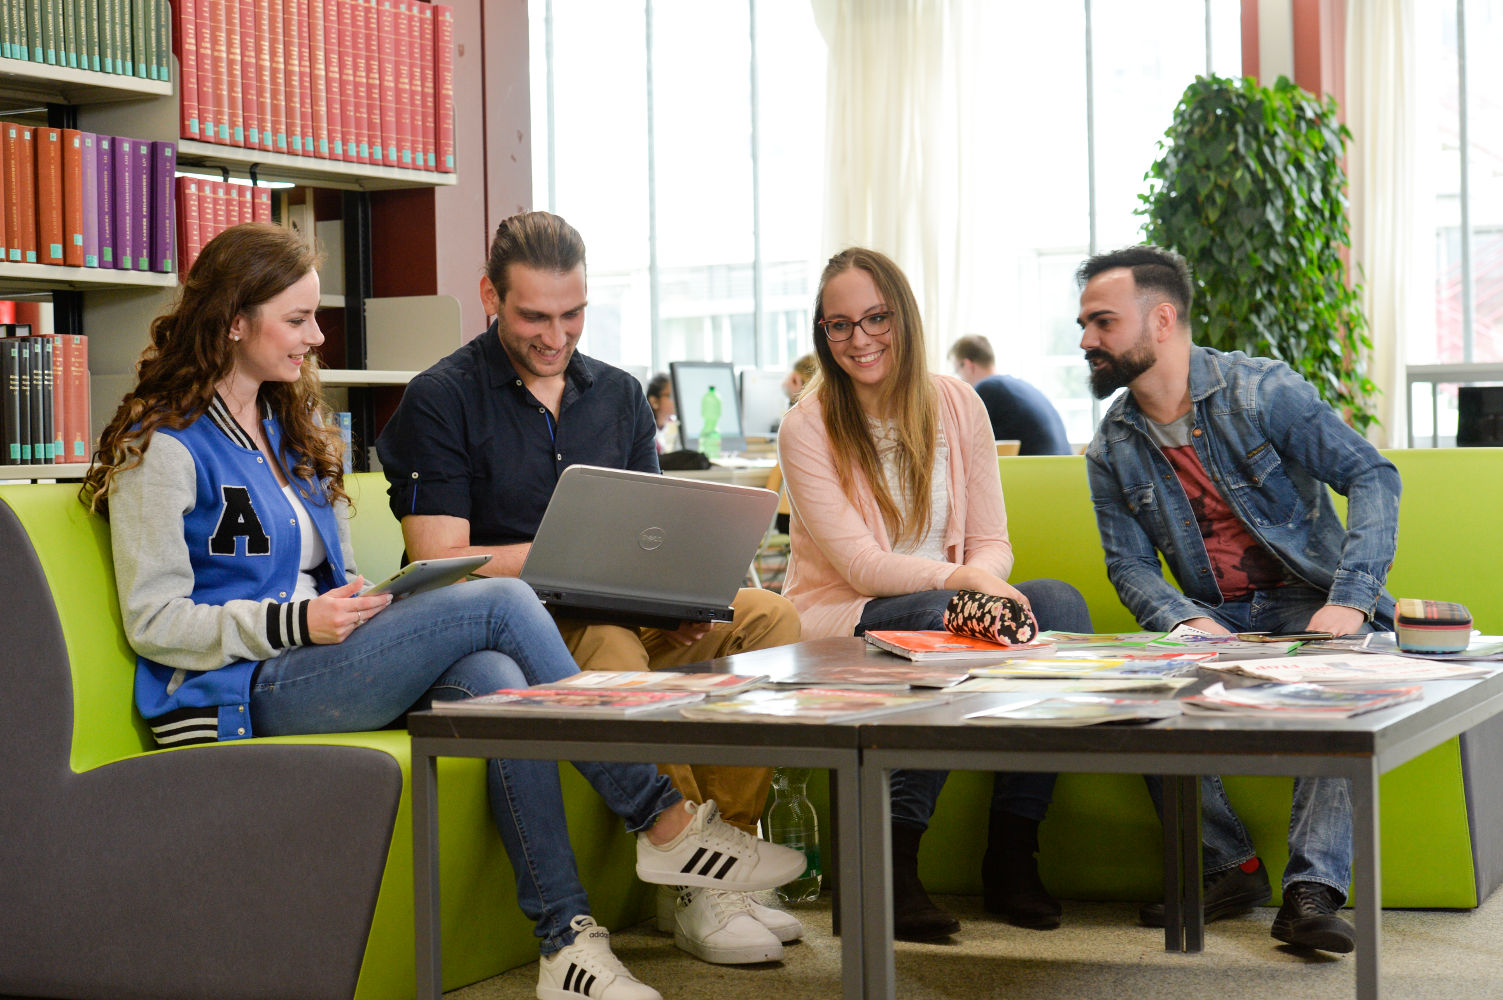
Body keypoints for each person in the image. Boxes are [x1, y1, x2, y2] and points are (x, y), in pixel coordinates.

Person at [79, 222, 805, 1000]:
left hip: (317, 658)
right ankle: (658, 819)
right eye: (297, 320)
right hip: (242, 687)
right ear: (233, 319)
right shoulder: (164, 445)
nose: (316, 336)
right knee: (498, 598)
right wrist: (299, 623)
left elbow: (333, 574)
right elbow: (153, 620)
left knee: (498, 683)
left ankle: (566, 947)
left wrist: (360, 602)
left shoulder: (287, 432)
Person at [375, 211, 806, 966]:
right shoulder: (440, 397)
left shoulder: (617, 395)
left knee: (771, 618)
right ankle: (693, 887)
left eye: (571, 314)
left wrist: (679, 598)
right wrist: (563, 557)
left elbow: (652, 527)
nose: (555, 334)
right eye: (534, 316)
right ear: (489, 296)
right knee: (608, 642)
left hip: (630, 608)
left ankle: (727, 863)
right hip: (533, 630)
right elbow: (437, 555)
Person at [1076, 244, 1402, 956]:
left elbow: (1373, 475)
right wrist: (1183, 621)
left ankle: (1310, 892)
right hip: (1212, 616)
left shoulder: (1261, 391)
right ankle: (1228, 865)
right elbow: (1127, 564)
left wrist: (1349, 599)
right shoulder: (1110, 448)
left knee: (1336, 678)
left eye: (1101, 322)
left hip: (1307, 599)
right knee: (1134, 690)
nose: (1085, 340)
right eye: (1083, 324)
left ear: (1160, 320)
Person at [777, 247, 1094, 940]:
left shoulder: (955, 401)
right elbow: (860, 566)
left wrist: (984, 580)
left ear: (902, 316)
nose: (859, 340)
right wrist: (965, 583)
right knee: (949, 623)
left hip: (951, 602)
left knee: (1061, 605)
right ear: (821, 334)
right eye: (838, 325)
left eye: (874, 318)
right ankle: (892, 862)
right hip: (847, 616)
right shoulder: (808, 424)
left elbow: (990, 537)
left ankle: (1012, 851)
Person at [947, 334, 1072, 456]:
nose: (960, 378)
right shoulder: (1018, 386)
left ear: (968, 365)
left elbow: (963, 442)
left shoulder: (987, 389)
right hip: (1063, 469)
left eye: (957, 371)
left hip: (1038, 471)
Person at [646, 372, 680, 453]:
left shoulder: (673, 425)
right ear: (654, 401)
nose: (675, 400)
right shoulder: (647, 432)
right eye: (670, 396)